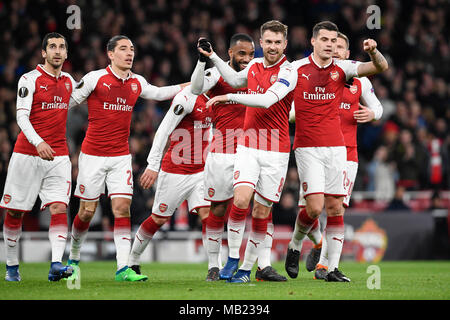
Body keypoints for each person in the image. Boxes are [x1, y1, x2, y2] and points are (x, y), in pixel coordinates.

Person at [67, 35, 188, 282]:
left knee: (122, 209)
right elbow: (68, 102)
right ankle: (74, 257)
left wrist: (194, 85)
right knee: (87, 212)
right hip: (92, 156)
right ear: (110, 54)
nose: (129, 53)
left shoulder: (137, 82)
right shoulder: (95, 78)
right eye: (123, 49)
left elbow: (162, 92)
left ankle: (124, 269)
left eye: (132, 49)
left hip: (121, 156)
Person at [285, 21, 388, 282]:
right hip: (308, 147)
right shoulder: (296, 69)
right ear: (313, 41)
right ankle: (298, 243)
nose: (334, 47)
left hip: (342, 149)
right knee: (313, 207)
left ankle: (327, 268)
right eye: (328, 41)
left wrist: (374, 52)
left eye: (338, 43)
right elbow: (280, 101)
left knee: (336, 208)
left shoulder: (350, 75)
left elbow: (379, 77)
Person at [199, 20, 298, 283]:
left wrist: (228, 97)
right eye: (269, 41)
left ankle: (247, 268)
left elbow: (266, 100)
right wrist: (213, 57)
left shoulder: (289, 71)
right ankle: (232, 259)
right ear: (261, 42)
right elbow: (232, 79)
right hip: (249, 146)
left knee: (261, 213)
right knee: (241, 201)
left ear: (284, 44)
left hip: (276, 152)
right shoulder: (254, 65)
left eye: (278, 42)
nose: (273, 47)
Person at [1, 33, 76, 281]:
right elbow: (21, 116)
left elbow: (87, 95)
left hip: (59, 155)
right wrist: (38, 141)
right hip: (26, 154)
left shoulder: (68, 82)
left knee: (58, 207)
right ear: (43, 53)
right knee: (15, 212)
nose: (57, 51)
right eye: (52, 47)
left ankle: (56, 264)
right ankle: (12, 266)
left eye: (61, 47)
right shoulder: (29, 79)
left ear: (66, 54)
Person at [127, 85, 213, 277]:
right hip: (175, 169)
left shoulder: (218, 99)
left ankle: (214, 267)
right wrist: (152, 165)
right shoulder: (187, 97)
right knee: (159, 218)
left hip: (201, 170)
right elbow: (164, 130)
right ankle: (132, 261)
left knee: (207, 214)